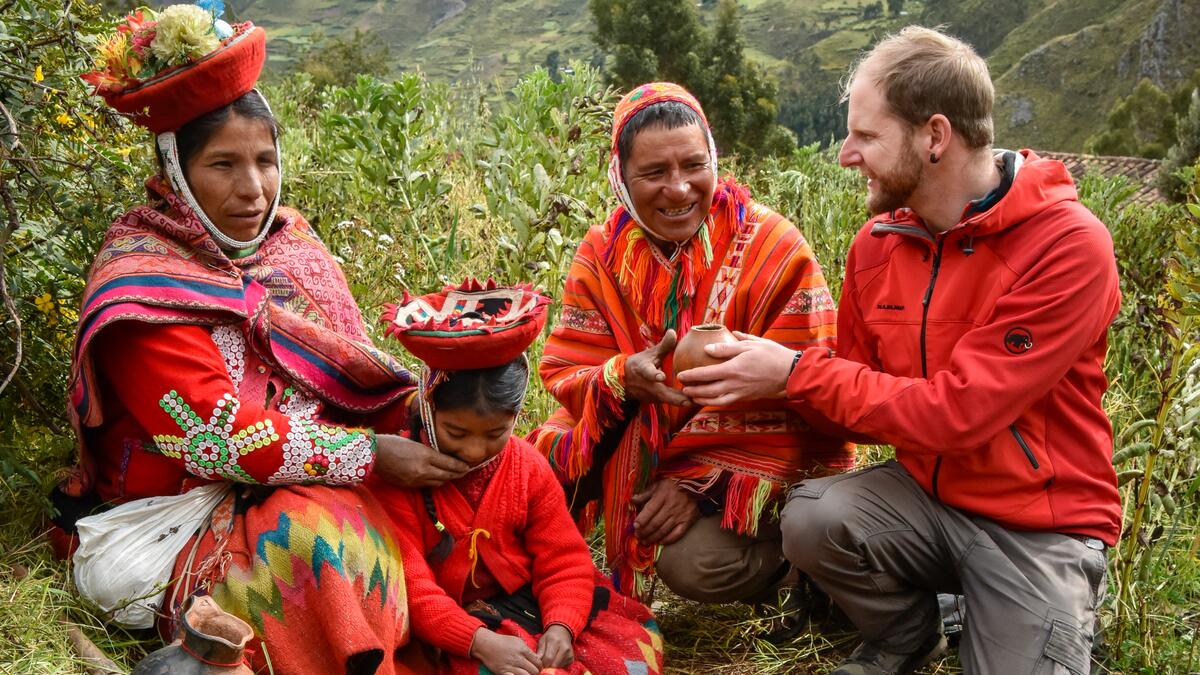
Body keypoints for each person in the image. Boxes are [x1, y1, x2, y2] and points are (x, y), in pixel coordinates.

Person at [678, 26, 1120, 675]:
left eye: (866, 136)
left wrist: (794, 372)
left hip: (1040, 527)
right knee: (815, 518)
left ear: (933, 136)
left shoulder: (1068, 246)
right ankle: (909, 635)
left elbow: (960, 411)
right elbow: (854, 404)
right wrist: (764, 375)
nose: (845, 154)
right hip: (927, 501)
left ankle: (1047, 609)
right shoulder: (878, 245)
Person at [54, 7, 466, 673]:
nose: (253, 189)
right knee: (310, 544)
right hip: (175, 517)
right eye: (223, 164)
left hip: (303, 478)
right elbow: (213, 435)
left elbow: (350, 369)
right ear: (176, 171)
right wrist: (367, 454)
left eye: (266, 160)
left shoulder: (289, 245)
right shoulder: (140, 286)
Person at [527, 82, 854, 603]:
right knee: (533, 469)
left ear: (714, 161)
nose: (678, 190)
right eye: (654, 173)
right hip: (634, 433)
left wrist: (702, 487)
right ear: (621, 179)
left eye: (693, 166)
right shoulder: (600, 254)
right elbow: (571, 369)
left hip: (749, 460)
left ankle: (803, 574)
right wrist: (621, 377)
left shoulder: (775, 248)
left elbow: (816, 390)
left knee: (694, 565)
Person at [372, 280, 663, 675]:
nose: (475, 451)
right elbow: (413, 588)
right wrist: (478, 642)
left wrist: (561, 625)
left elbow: (562, 558)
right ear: (427, 407)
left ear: (515, 417)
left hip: (529, 604)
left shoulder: (526, 466)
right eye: (456, 433)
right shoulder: (400, 478)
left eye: (495, 434)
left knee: (629, 656)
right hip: (453, 625)